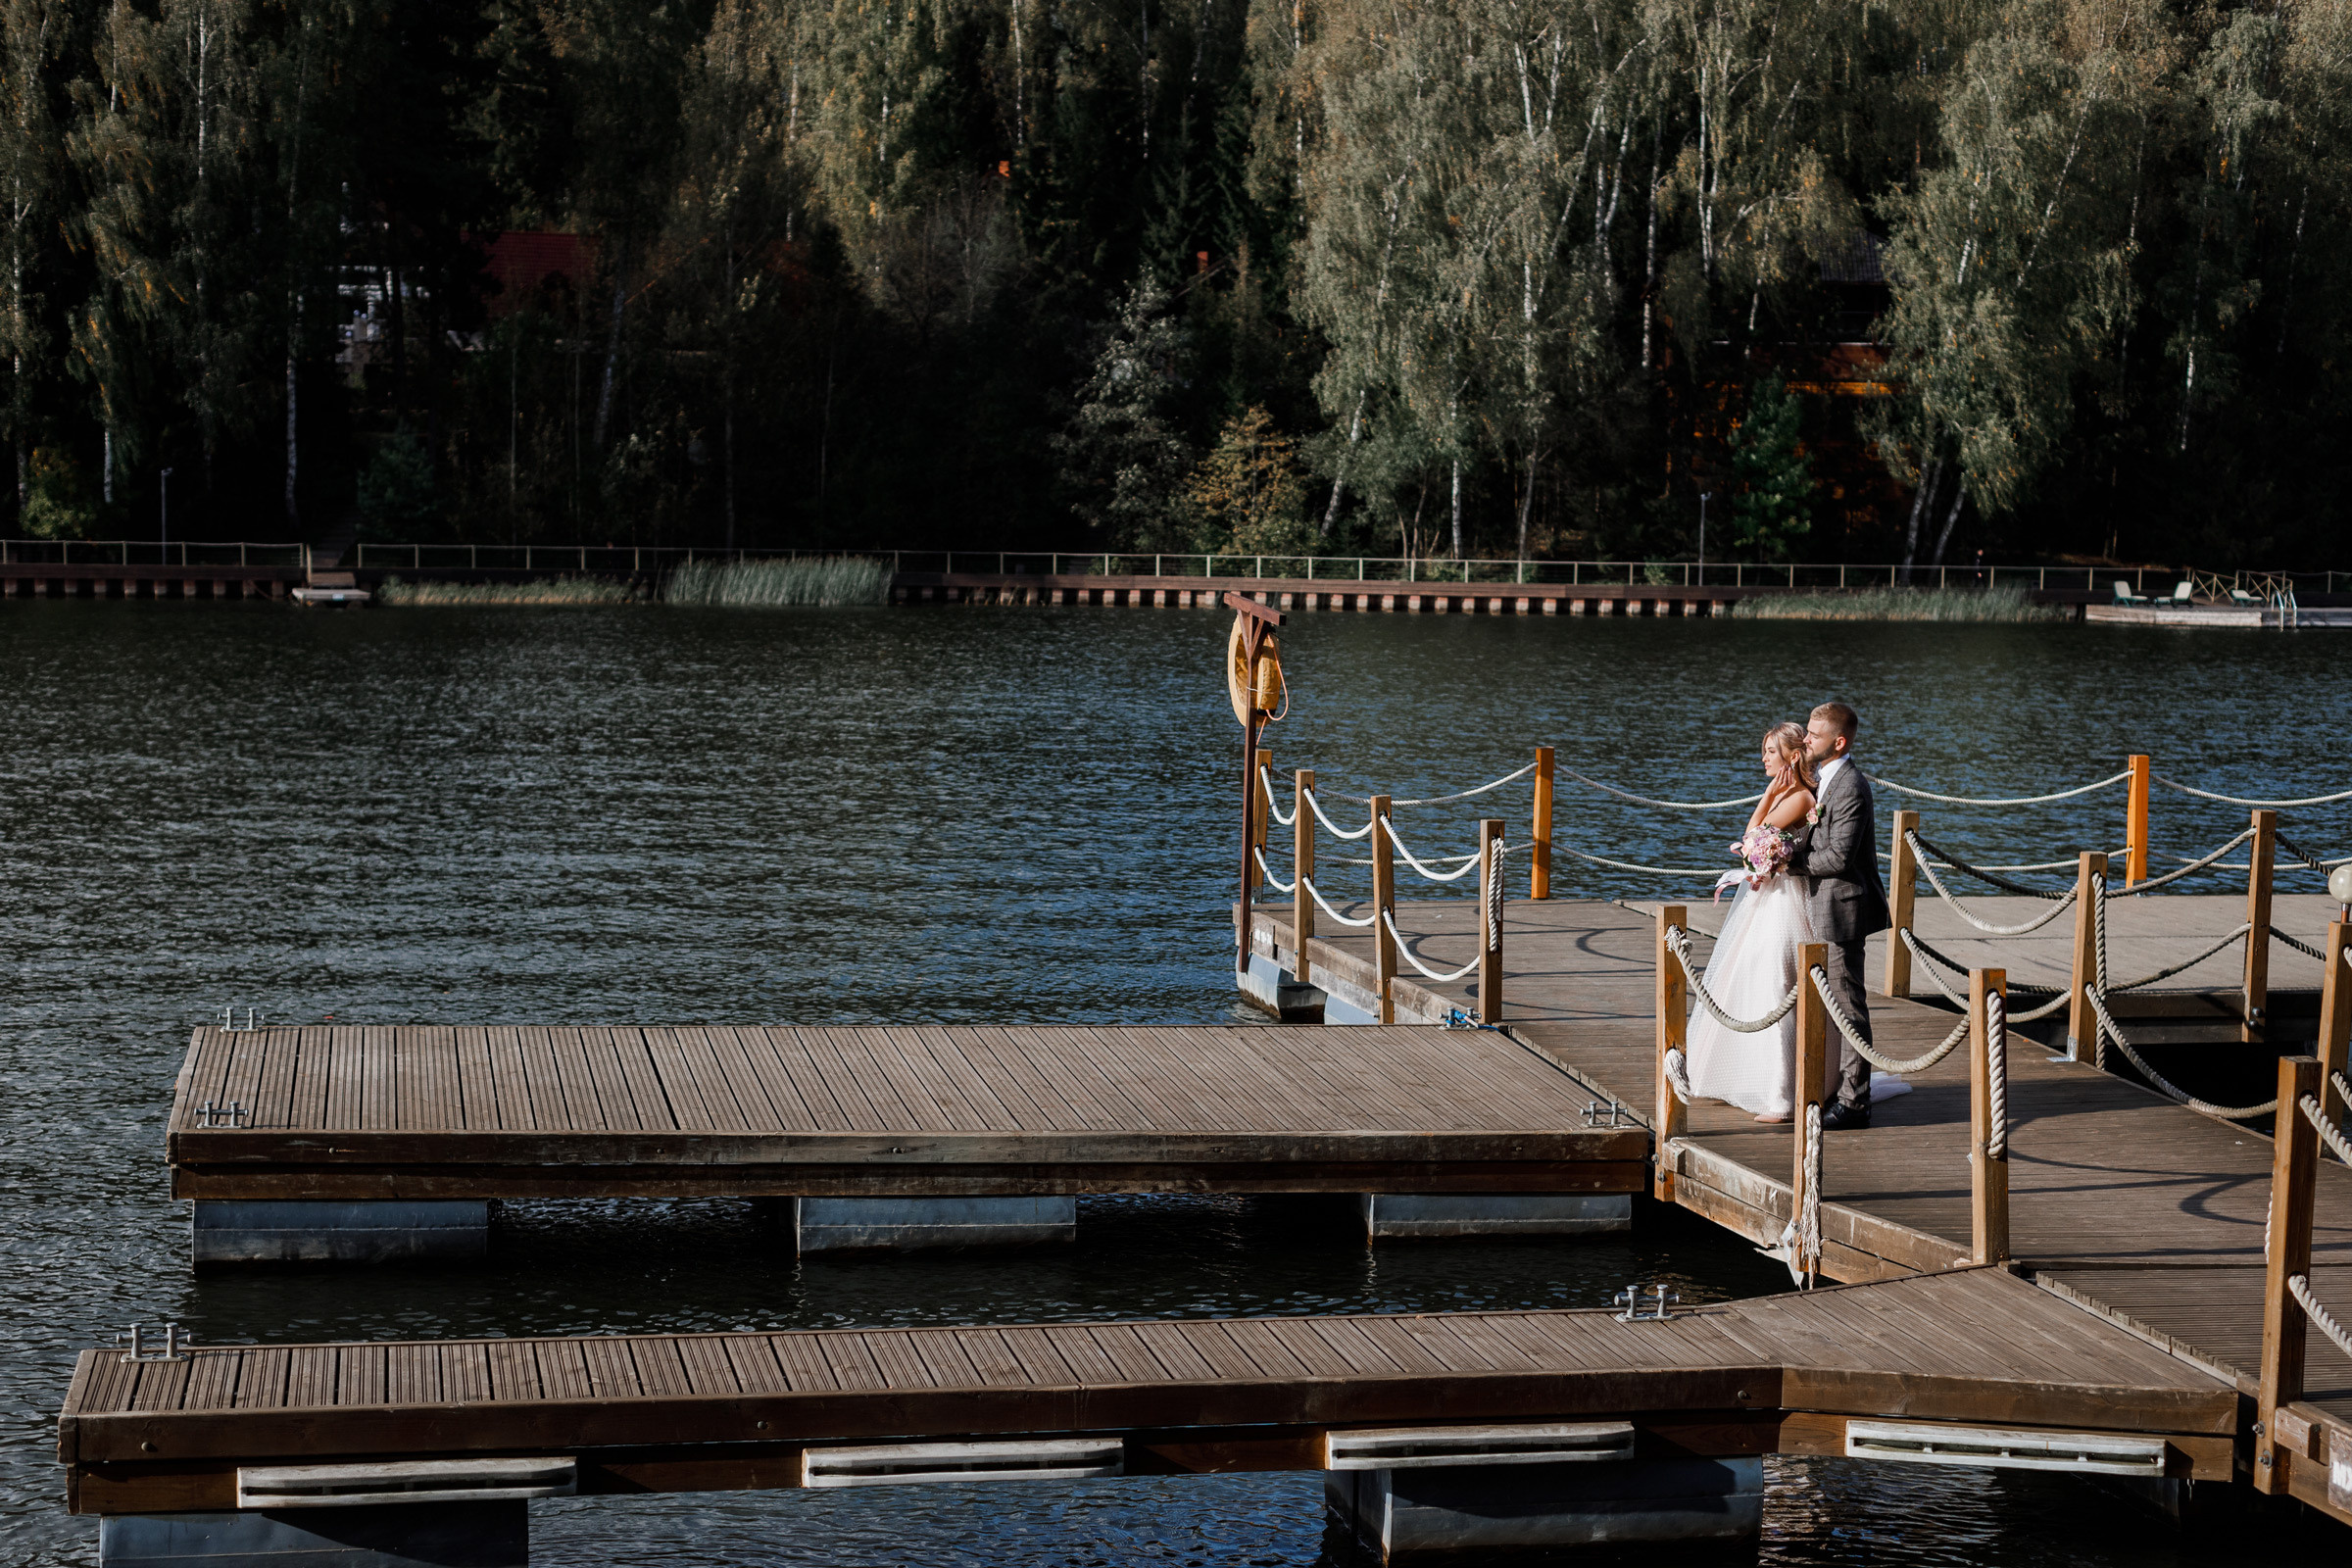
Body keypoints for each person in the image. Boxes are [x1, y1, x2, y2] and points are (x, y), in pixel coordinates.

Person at [1685, 722, 1818, 1122]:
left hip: (1785, 900)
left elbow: (1751, 843)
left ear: (1792, 757)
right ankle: (1743, 1075)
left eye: (1770, 751)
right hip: (1768, 897)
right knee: (1745, 978)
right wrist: (1770, 794)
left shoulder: (1798, 798)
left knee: (1774, 982)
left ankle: (1780, 1092)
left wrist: (1766, 797)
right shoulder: (1787, 794)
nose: (1763, 757)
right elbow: (1755, 847)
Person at [1786, 701, 1892, 1128]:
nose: (1805, 739)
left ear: (1839, 741)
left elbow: (1839, 858)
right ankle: (1836, 1088)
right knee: (1834, 1004)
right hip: (1820, 904)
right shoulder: (1824, 779)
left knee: (1849, 1006)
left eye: (1813, 734)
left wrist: (1787, 862)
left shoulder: (1849, 786)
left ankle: (1854, 1103)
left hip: (1843, 909)